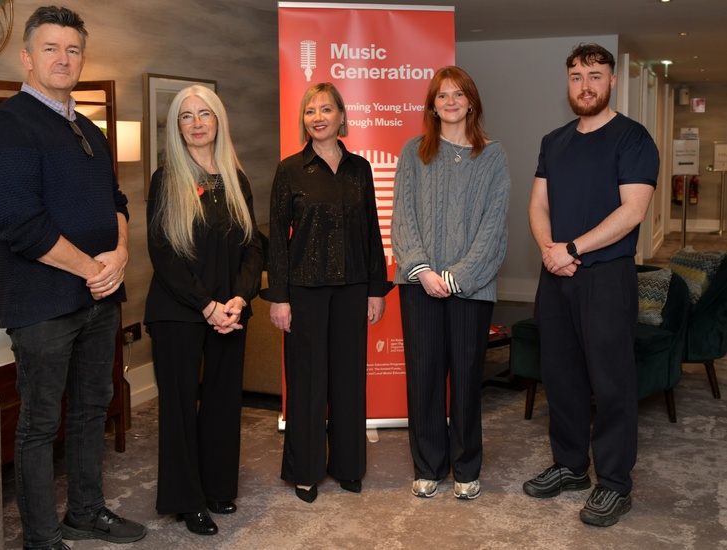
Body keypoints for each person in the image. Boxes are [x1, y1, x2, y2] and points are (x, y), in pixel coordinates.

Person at [0, 6, 146, 550]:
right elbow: (18, 224)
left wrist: (118, 253)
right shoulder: (8, 124)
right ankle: (42, 538)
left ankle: (86, 512)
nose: (63, 59)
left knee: (95, 408)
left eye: (72, 50)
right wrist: (93, 268)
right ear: (27, 57)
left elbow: (115, 201)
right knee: (40, 425)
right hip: (43, 304)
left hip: (98, 298)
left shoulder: (87, 126)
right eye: (50, 48)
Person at [523, 43, 658, 527]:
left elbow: (632, 211)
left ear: (612, 80)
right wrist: (549, 251)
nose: (585, 85)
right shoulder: (554, 140)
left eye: (595, 75)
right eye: (577, 76)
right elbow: (538, 205)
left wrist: (572, 249)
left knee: (613, 382)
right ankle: (571, 465)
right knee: (560, 376)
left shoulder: (633, 138)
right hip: (556, 274)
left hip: (606, 276)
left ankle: (615, 483)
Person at [262, 82, 391, 503]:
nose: (317, 117)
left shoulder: (360, 169)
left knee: (349, 380)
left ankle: (349, 466)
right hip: (305, 291)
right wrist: (278, 297)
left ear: (340, 117)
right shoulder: (290, 170)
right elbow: (278, 240)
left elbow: (371, 232)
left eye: (325, 109)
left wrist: (376, 289)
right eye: (310, 111)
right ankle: (306, 471)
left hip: (354, 289)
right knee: (307, 383)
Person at [144, 85, 263, 536]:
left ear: (219, 121)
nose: (197, 123)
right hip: (179, 311)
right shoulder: (166, 179)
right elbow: (164, 253)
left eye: (205, 114)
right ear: (176, 127)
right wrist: (206, 304)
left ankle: (217, 488)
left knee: (222, 401)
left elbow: (253, 245)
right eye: (186, 116)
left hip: (229, 310)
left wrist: (239, 298)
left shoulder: (235, 177)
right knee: (178, 408)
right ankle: (187, 499)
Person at [391, 66, 510, 501]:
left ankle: (465, 468)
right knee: (423, 379)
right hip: (418, 286)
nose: (451, 102)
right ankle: (427, 467)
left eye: (459, 94)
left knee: (465, 380)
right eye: (443, 95)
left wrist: (456, 277)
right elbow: (402, 218)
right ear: (432, 104)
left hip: (471, 290)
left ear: (472, 102)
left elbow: (494, 227)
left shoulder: (492, 156)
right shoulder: (413, 153)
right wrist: (422, 271)